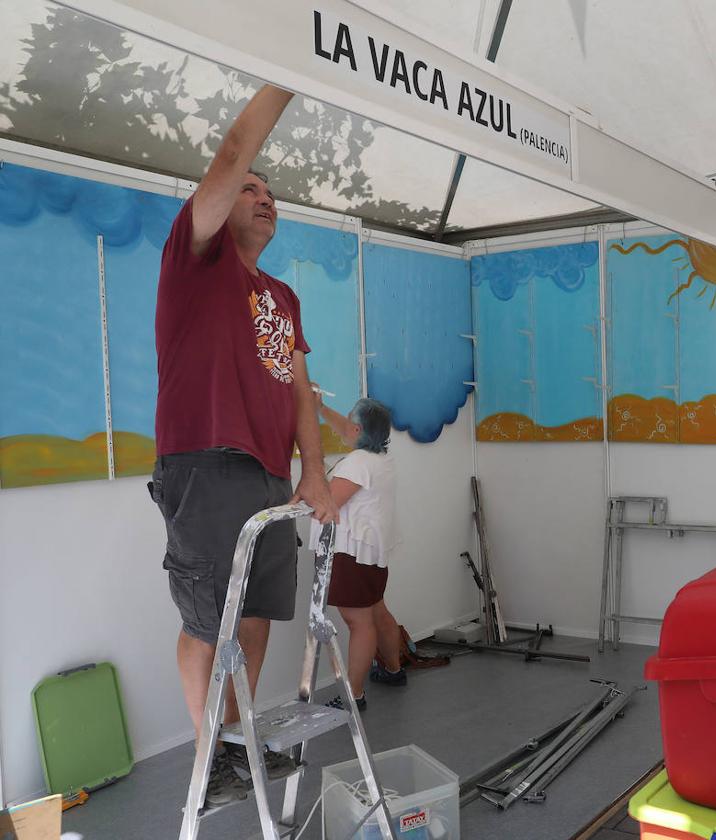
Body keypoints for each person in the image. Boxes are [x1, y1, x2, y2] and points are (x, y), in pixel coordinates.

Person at [149, 84, 337, 808]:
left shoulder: (282, 298)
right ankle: (210, 755)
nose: (262, 196)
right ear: (219, 205)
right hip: (204, 459)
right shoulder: (193, 258)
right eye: (248, 189)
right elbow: (232, 152)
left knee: (253, 618)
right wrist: (287, 75)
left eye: (269, 193)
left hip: (268, 473)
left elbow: (298, 388)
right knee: (208, 618)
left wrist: (315, 472)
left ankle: (237, 739)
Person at [310, 393, 407, 711]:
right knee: (377, 612)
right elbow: (348, 428)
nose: (346, 425)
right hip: (371, 556)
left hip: (350, 555)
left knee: (358, 623)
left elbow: (327, 506)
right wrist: (320, 408)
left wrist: (310, 477)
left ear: (357, 430)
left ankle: (354, 696)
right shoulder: (380, 457)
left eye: (351, 422)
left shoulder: (356, 464)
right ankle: (393, 671)